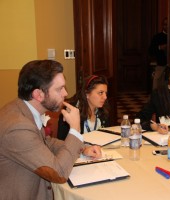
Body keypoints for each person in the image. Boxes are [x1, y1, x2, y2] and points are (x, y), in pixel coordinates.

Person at [0, 60, 102, 200]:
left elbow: (45, 142)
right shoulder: (17, 127)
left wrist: (83, 148)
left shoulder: (22, 108)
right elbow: (58, 173)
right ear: (38, 94)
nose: (65, 93)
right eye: (59, 89)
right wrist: (75, 130)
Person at [57, 75, 109, 140]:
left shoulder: (103, 111)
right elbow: (62, 142)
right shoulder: (70, 112)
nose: (105, 97)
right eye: (100, 93)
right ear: (87, 94)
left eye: (105, 93)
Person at [149, 17, 168, 90]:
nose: (167, 26)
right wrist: (159, 47)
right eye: (165, 24)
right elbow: (150, 51)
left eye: (168, 24)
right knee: (156, 86)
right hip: (161, 65)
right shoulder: (157, 37)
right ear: (162, 26)